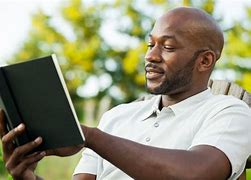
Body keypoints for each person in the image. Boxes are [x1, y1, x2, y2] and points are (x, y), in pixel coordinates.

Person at [0, 6, 251, 180]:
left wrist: (90, 136)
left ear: (205, 61)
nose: (150, 56)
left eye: (168, 46)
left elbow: (194, 174)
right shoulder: (116, 117)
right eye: (150, 44)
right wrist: (26, 176)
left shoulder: (230, 112)